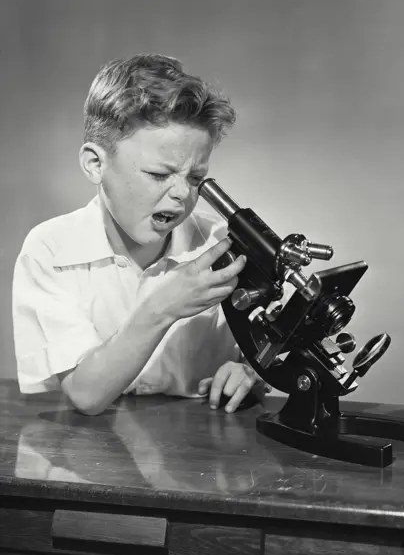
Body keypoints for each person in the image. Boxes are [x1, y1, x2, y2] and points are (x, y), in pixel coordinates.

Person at [12, 53, 265, 415]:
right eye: (159, 175)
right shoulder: (50, 250)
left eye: (196, 178)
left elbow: (267, 354)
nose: (182, 194)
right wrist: (163, 307)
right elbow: (86, 396)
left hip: (202, 458)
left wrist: (251, 372)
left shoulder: (222, 244)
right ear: (95, 164)